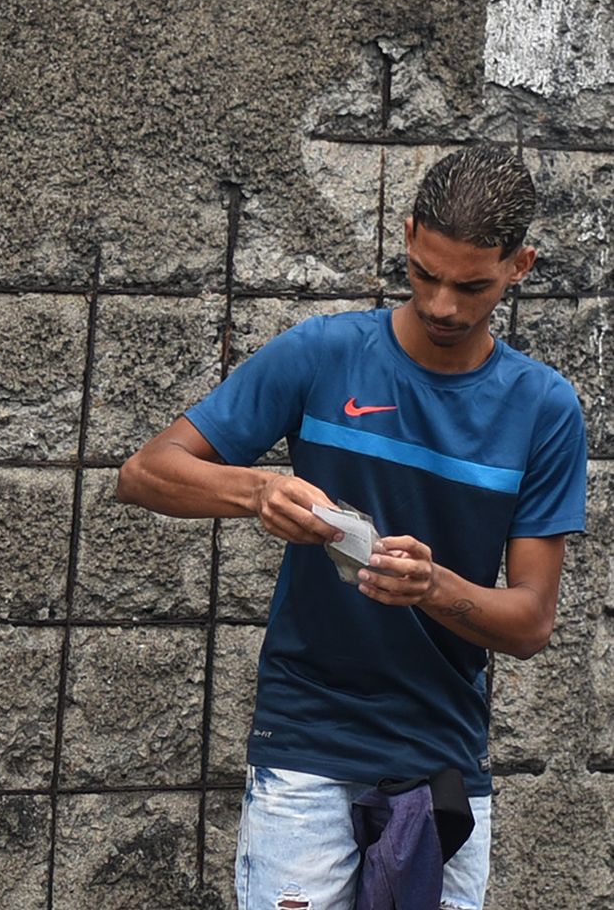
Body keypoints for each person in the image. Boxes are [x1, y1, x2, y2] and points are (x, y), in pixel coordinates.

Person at [116, 145, 586, 910]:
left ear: (520, 267)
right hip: (308, 740)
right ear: (407, 237)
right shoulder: (324, 352)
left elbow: (531, 624)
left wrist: (431, 586)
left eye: (471, 285)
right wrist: (257, 490)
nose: (442, 305)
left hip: (442, 757)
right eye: (424, 274)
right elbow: (144, 473)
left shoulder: (544, 408)